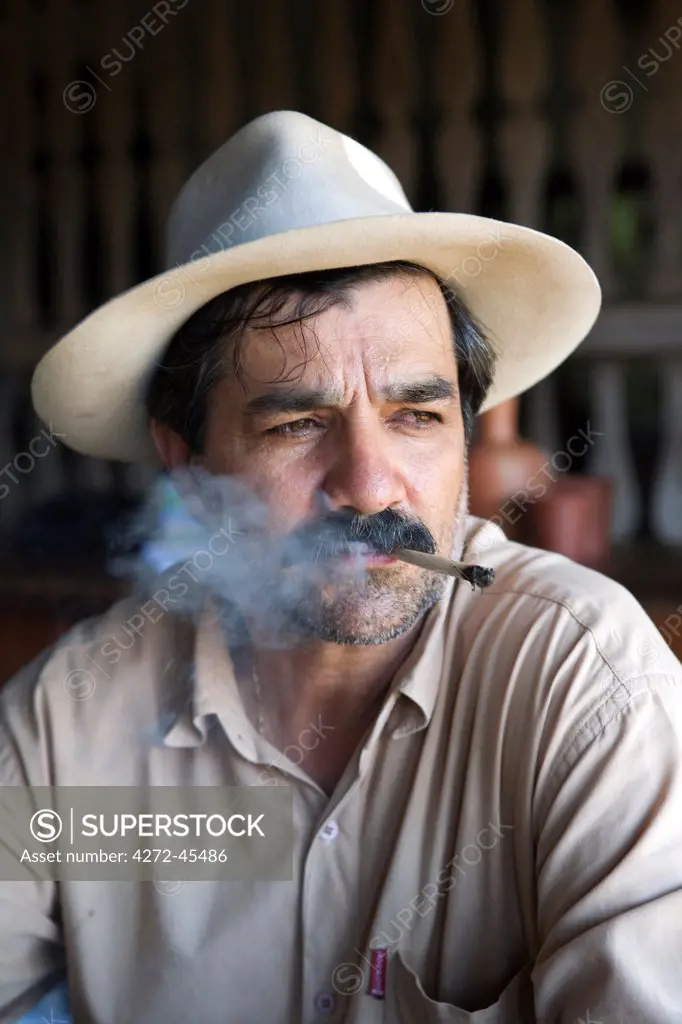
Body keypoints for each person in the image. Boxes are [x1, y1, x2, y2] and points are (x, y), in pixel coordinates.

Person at [2, 110, 681, 1024]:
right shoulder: (67, 727)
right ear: (188, 462)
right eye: (296, 424)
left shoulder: (586, 689)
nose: (368, 487)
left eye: (417, 416)